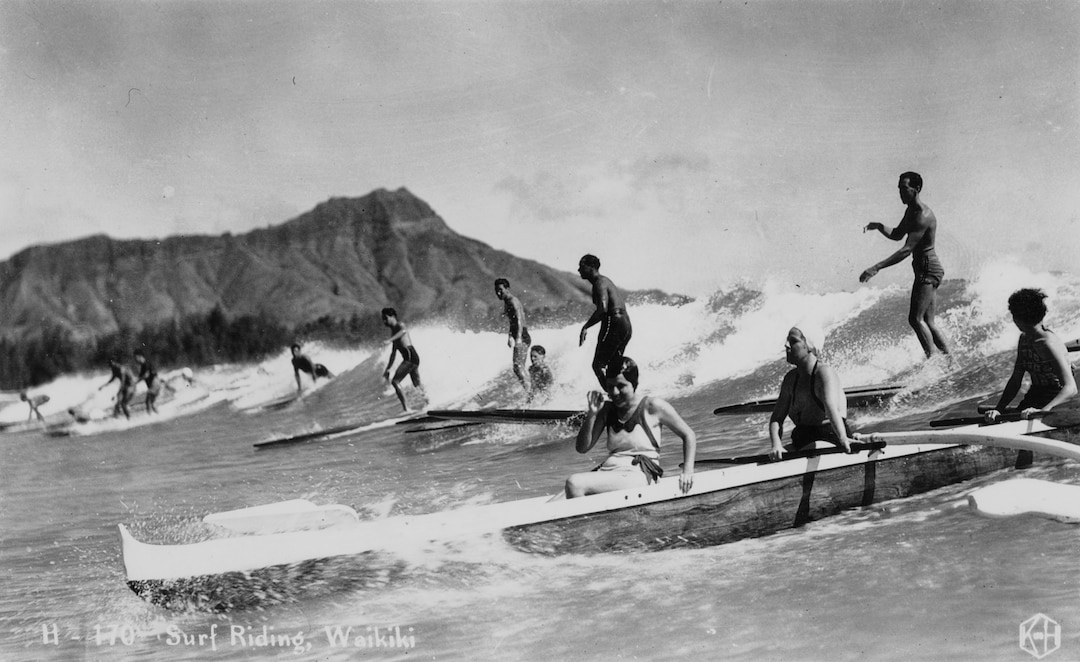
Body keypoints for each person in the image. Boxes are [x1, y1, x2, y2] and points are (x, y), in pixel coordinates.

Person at [565, 356, 696, 498]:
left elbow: (688, 435)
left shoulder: (653, 406)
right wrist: (592, 414)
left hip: (639, 474)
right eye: (610, 387)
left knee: (574, 483)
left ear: (634, 383)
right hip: (609, 473)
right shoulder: (607, 409)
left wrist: (688, 470)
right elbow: (582, 448)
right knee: (556, 501)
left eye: (620, 386)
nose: (614, 392)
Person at [859, 172, 951, 358]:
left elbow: (906, 249)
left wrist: (876, 267)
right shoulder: (911, 210)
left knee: (915, 319)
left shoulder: (922, 215)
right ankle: (950, 361)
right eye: (899, 188)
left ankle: (933, 361)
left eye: (904, 188)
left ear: (916, 189)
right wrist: (879, 226)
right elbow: (897, 234)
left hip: (927, 268)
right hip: (929, 268)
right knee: (928, 321)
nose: (900, 192)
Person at [984, 288, 1078, 422]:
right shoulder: (1024, 339)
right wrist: (999, 409)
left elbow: (1071, 388)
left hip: (1056, 402)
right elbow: (1016, 380)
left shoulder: (1048, 344)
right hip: (1034, 396)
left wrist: (1043, 411)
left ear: (1018, 318)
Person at [768, 324, 855, 460]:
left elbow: (831, 409)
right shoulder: (790, 379)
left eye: (793, 341)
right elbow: (776, 419)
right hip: (802, 437)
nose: (786, 345)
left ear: (808, 345)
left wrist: (843, 438)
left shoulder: (823, 373)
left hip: (831, 435)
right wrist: (776, 445)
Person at [577, 254, 632, 388]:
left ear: (591, 267)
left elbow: (602, 309)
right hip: (625, 323)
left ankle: (612, 396)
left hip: (614, 322)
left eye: (581, 267)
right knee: (614, 365)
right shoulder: (605, 281)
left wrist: (585, 327)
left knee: (598, 365)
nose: (579, 270)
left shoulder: (599, 283)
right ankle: (624, 395)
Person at [381, 307, 424, 412]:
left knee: (395, 381)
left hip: (410, 356)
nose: (384, 321)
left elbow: (404, 331)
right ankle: (429, 403)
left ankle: (406, 409)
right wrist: (388, 369)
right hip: (411, 357)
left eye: (386, 318)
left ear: (392, 316)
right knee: (416, 384)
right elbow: (393, 353)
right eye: (383, 318)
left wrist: (390, 340)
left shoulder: (400, 325)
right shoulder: (393, 333)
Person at [494, 278, 531, 392]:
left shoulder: (512, 300)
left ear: (507, 289)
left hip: (523, 336)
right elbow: (512, 321)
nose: (498, 293)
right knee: (519, 367)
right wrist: (510, 336)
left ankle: (530, 392)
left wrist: (518, 338)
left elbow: (519, 319)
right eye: (496, 290)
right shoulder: (507, 302)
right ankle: (530, 391)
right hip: (519, 335)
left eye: (501, 290)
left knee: (518, 367)